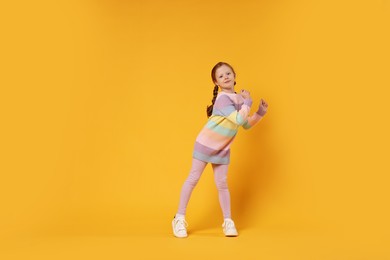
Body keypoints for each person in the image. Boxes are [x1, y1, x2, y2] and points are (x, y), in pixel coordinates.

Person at [172, 62, 268, 238]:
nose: (226, 77)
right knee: (193, 179)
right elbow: (238, 119)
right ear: (216, 82)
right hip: (205, 144)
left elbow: (245, 124)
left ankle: (228, 221)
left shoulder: (238, 99)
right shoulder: (223, 99)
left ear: (234, 76)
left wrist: (259, 113)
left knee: (222, 184)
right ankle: (179, 218)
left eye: (228, 73)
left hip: (222, 148)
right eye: (221, 76)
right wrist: (248, 102)